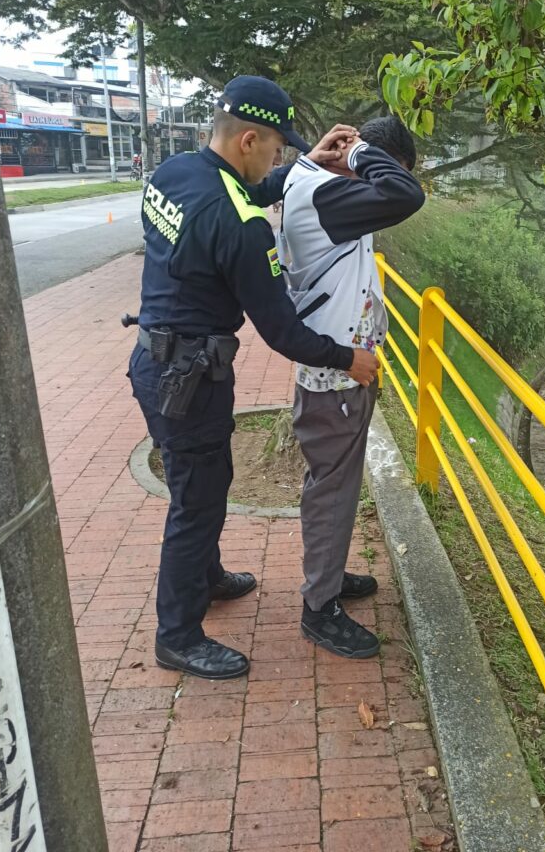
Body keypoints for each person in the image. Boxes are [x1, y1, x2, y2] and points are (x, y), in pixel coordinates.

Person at [127, 75, 379, 681]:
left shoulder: (177, 172)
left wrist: (298, 170)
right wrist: (350, 360)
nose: (279, 156)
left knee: (204, 482)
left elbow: (241, 192)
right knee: (195, 502)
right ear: (246, 139)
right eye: (274, 147)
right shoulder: (243, 228)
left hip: (153, 361)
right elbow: (284, 332)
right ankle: (178, 635)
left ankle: (207, 577)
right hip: (191, 376)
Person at [276, 116, 424, 658]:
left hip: (341, 370)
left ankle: (329, 579)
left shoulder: (310, 181)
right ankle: (319, 608)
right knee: (333, 492)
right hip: (336, 376)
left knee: (334, 485)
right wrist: (362, 154)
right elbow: (406, 195)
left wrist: (337, 157)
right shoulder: (328, 198)